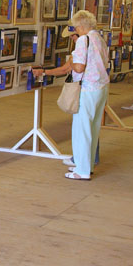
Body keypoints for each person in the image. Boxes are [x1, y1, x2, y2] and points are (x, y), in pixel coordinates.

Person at [33, 10, 109, 180]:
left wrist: (74, 61)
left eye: (75, 28)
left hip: (88, 89)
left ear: (80, 26)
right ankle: (87, 165)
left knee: (81, 130)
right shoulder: (99, 38)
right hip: (101, 88)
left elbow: (78, 68)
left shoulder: (83, 40)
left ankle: (82, 170)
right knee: (93, 128)